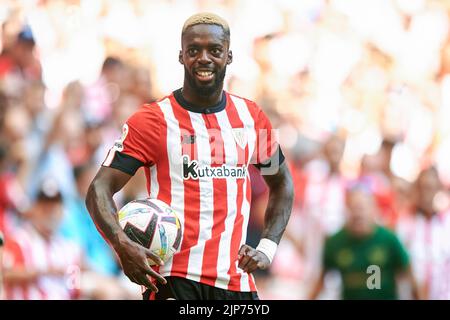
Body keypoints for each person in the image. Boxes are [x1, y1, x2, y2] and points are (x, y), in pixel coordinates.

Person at [85, 12, 294, 300]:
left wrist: (267, 248)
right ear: (181, 56)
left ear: (229, 56)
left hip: (236, 285)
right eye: (194, 50)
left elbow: (282, 184)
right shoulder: (153, 120)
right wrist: (122, 245)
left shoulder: (252, 118)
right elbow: (99, 187)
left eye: (215, 50)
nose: (204, 58)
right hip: (173, 280)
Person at [309, 183, 420, 300]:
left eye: (362, 208)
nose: (358, 214)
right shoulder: (335, 242)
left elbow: (409, 275)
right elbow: (321, 281)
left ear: (373, 209)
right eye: (353, 208)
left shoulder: (389, 239)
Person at [396, 166, 450, 299]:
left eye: (430, 188)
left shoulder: (446, 223)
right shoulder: (404, 222)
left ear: (439, 189)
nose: (426, 193)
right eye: (422, 187)